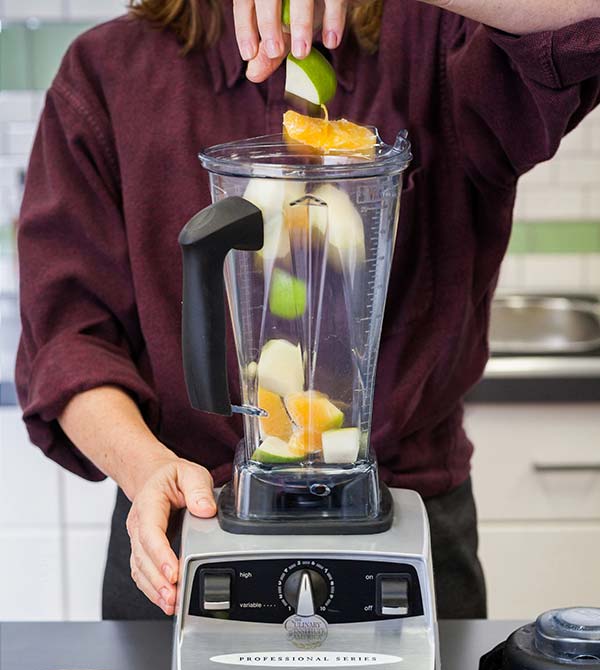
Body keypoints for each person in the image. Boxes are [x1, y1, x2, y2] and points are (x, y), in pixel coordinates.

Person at [16, 0, 600, 620]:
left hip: (405, 521)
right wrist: (145, 466)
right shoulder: (106, 72)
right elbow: (69, 341)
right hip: (180, 523)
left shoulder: (444, 40)